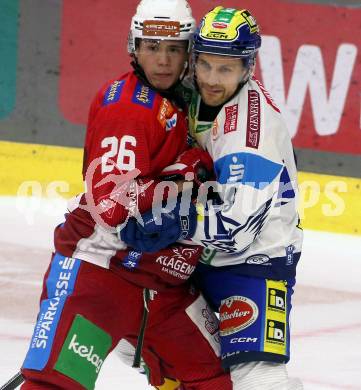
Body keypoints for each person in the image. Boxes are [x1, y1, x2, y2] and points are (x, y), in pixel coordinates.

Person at [20, 1, 232, 389]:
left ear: (188, 53)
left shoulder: (183, 100)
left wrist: (188, 173)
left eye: (174, 49)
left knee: (217, 379)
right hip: (100, 277)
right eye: (152, 47)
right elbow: (111, 204)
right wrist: (183, 183)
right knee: (56, 384)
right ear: (134, 47)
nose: (164, 60)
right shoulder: (128, 109)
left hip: (163, 286)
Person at [121, 6, 304, 390]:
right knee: (131, 329)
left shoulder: (251, 133)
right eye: (205, 65)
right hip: (196, 255)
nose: (212, 79)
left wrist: (173, 220)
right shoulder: (187, 93)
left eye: (226, 69)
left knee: (255, 376)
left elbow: (238, 228)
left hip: (255, 260)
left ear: (248, 67)